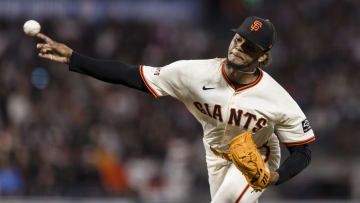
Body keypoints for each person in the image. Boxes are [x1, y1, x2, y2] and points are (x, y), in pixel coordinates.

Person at [35, 16, 315, 203]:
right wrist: (75, 58)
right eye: (239, 39)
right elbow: (130, 75)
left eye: (249, 46)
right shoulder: (194, 73)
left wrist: (275, 177)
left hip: (259, 154)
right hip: (215, 154)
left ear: (263, 57)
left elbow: (303, 151)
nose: (239, 46)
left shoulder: (277, 97)